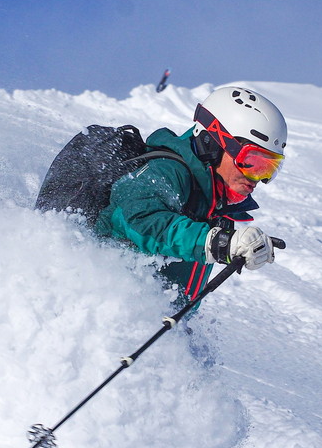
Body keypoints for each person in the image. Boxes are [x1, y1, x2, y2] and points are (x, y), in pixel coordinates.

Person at [95, 84, 287, 302]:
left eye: (268, 169)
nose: (258, 178)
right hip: (96, 304)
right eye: (252, 162)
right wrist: (218, 242)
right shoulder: (166, 171)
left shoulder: (216, 206)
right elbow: (139, 218)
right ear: (212, 142)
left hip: (153, 323)